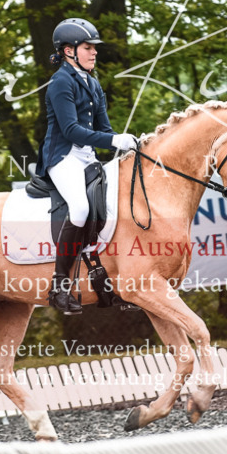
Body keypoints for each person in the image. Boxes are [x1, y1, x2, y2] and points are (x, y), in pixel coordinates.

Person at [37, 18, 139, 315]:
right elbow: (70, 130)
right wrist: (113, 140)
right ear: (69, 51)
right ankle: (58, 286)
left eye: (94, 48)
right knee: (80, 209)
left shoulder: (93, 83)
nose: (94, 52)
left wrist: (124, 145)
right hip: (63, 156)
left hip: (88, 157)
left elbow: (105, 128)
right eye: (87, 47)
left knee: (115, 204)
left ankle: (106, 278)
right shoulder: (60, 82)